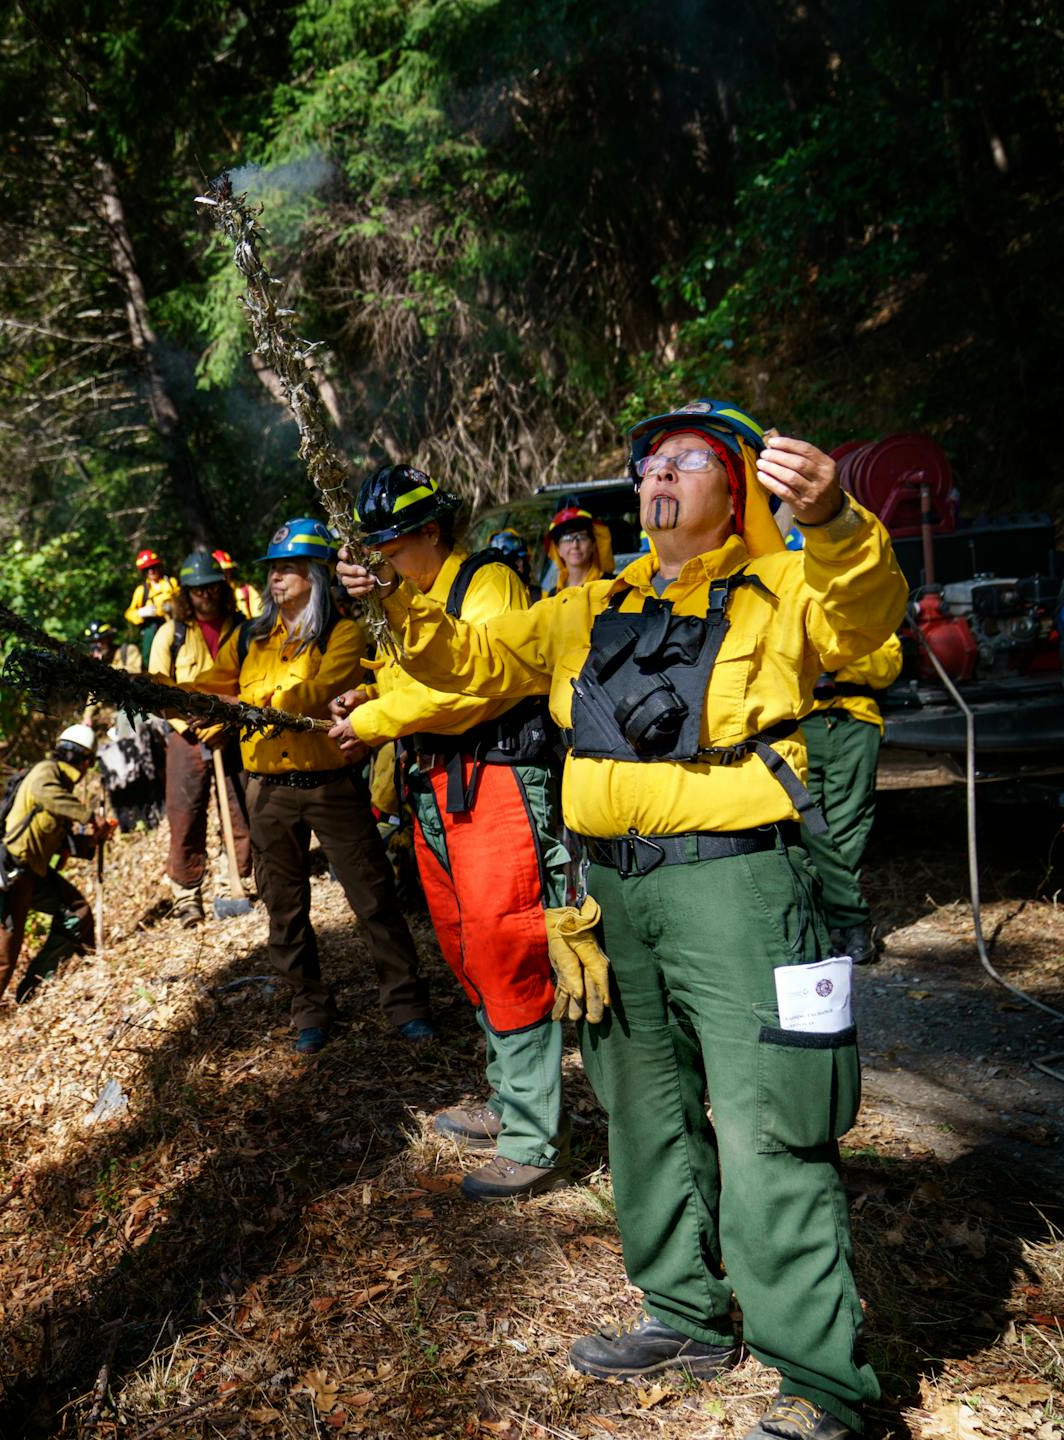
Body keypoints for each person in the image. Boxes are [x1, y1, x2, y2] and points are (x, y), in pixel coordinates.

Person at [336, 399, 907, 1440]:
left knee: (770, 1124)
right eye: (646, 460)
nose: (658, 474)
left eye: (686, 459)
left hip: (740, 892)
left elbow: (866, 620)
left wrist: (834, 522)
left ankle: (821, 1385)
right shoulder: (586, 605)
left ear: (735, 484)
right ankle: (684, 1313)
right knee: (643, 1119)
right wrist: (401, 613)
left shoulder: (785, 586)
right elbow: (470, 666)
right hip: (610, 898)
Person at [329, 465, 571, 1200]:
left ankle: (534, 1137)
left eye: (391, 546)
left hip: (493, 776)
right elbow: (417, 686)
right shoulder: (410, 601)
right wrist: (372, 693)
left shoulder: (486, 584)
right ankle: (509, 1100)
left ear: (431, 530)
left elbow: (477, 686)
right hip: (434, 785)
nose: (381, 563)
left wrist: (374, 720)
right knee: (467, 948)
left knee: (508, 946)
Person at [178, 518, 431, 1054]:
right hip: (266, 788)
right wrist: (171, 697)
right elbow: (210, 688)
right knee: (283, 907)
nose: (277, 579)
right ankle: (308, 1008)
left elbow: (314, 694)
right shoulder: (249, 637)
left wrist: (246, 706)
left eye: (289, 568)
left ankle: (406, 1003)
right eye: (272, 569)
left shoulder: (342, 632)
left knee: (371, 895)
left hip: (330, 786)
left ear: (315, 574)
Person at [0, 723, 115, 1037]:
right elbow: (51, 798)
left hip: (34, 874)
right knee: (0, 950)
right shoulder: (46, 774)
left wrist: (92, 838)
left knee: (77, 914)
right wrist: (90, 817)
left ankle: (32, 989)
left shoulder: (61, 786)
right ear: (83, 760)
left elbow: (59, 840)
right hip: (9, 873)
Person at [148, 549, 253, 923]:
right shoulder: (169, 634)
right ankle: (187, 893)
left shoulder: (244, 630)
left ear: (221, 588)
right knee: (185, 813)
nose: (204, 595)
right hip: (186, 738)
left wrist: (226, 722)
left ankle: (234, 882)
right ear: (186, 595)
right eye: (196, 590)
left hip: (233, 733)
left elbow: (254, 679)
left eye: (210, 587)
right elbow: (157, 689)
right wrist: (190, 725)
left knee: (241, 812)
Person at [804, 634, 904, 965]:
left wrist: (839, 653)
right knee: (804, 825)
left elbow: (887, 667)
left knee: (848, 825)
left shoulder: (861, 610)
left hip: (856, 720)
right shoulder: (785, 597)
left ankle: (835, 927)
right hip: (797, 723)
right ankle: (849, 920)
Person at [123, 547, 181, 660]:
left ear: (158, 567)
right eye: (147, 569)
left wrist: (173, 606)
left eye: (153, 567)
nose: (151, 571)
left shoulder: (171, 583)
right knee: (150, 655)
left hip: (173, 622)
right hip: (152, 627)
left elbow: (183, 601)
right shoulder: (142, 590)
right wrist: (140, 613)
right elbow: (129, 613)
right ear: (143, 572)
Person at [544, 505, 613, 592]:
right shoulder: (552, 596)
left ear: (593, 545)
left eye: (581, 537)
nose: (575, 545)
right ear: (558, 549)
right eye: (567, 539)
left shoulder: (612, 586)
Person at [214, 548, 265, 620]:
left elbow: (259, 617)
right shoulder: (207, 597)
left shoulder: (246, 589)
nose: (225, 574)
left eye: (227, 570)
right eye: (220, 571)